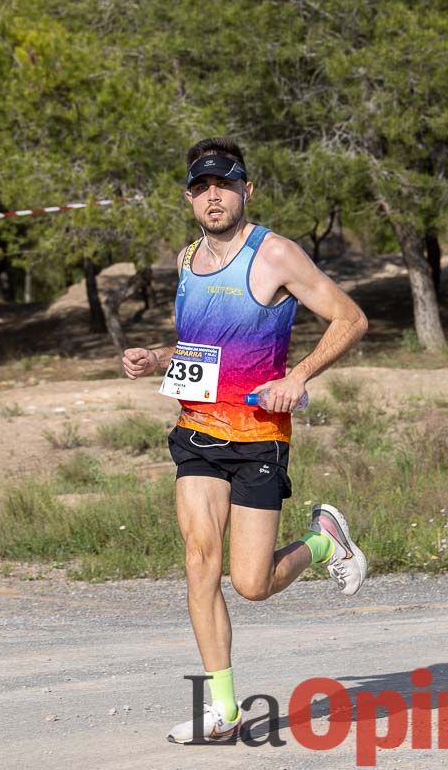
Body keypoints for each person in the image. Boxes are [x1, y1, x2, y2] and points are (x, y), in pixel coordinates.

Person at [122, 137, 369, 744]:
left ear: (245, 190)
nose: (214, 197)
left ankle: (322, 541)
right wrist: (158, 356)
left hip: (259, 437)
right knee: (199, 560)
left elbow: (352, 318)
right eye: (202, 187)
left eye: (225, 185)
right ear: (189, 197)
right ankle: (224, 708)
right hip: (198, 432)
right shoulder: (186, 260)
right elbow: (201, 349)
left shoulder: (276, 254)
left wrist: (298, 376)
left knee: (252, 584)